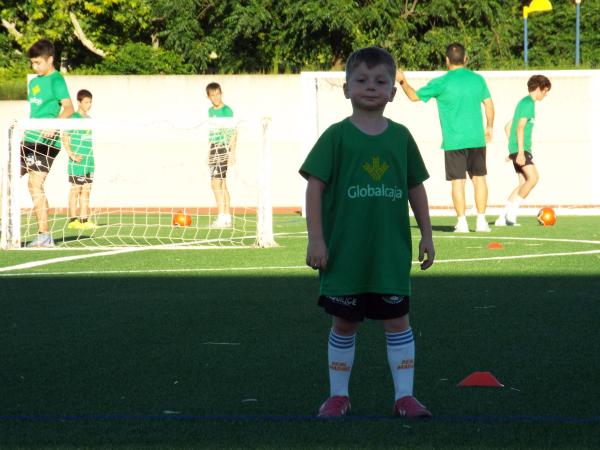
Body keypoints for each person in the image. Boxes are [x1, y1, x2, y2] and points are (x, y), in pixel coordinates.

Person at [300, 47, 435, 418]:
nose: (371, 87)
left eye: (380, 81)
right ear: (346, 89)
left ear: (393, 91)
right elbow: (315, 186)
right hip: (345, 253)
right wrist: (316, 238)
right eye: (361, 80)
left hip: (389, 253)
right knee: (344, 322)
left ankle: (404, 397)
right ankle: (338, 396)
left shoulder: (402, 137)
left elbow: (415, 187)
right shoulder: (336, 136)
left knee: (397, 321)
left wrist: (427, 233)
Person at [396, 43, 494, 233]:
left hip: (454, 141)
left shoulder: (441, 83)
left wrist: (402, 81)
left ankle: (462, 223)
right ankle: (481, 221)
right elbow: (489, 105)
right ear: (465, 58)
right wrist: (489, 126)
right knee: (479, 179)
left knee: (458, 181)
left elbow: (414, 97)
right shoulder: (478, 80)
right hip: (476, 139)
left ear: (447, 60)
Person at [21, 39, 74, 247]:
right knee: (6, 180)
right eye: (32, 63)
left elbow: (68, 107)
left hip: (46, 142)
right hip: (28, 140)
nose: (35, 67)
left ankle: (44, 235)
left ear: (50, 60)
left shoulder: (57, 80)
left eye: (38, 63)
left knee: (35, 184)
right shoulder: (33, 83)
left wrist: (55, 124)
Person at [495, 75, 551, 226]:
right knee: (533, 178)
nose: (546, 95)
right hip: (522, 150)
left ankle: (502, 218)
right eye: (545, 91)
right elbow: (519, 128)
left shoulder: (523, 103)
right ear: (539, 88)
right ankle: (511, 214)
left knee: (522, 184)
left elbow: (508, 127)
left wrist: (512, 149)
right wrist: (519, 152)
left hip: (517, 149)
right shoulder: (528, 104)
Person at [62, 89, 96, 230]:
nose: (89, 105)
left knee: (86, 189)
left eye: (90, 102)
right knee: (75, 189)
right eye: (86, 102)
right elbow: (65, 136)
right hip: (77, 162)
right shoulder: (74, 118)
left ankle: (84, 220)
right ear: (79, 102)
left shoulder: (89, 119)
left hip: (88, 161)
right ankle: (72, 220)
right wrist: (71, 154)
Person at [206, 82, 237, 228]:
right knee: (222, 183)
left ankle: (222, 216)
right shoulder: (210, 111)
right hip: (214, 148)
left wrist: (232, 152)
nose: (216, 97)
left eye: (217, 94)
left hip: (223, 149)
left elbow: (234, 132)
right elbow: (213, 133)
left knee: (216, 183)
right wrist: (209, 151)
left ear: (221, 93)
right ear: (209, 97)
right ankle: (226, 217)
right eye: (213, 95)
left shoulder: (227, 111)